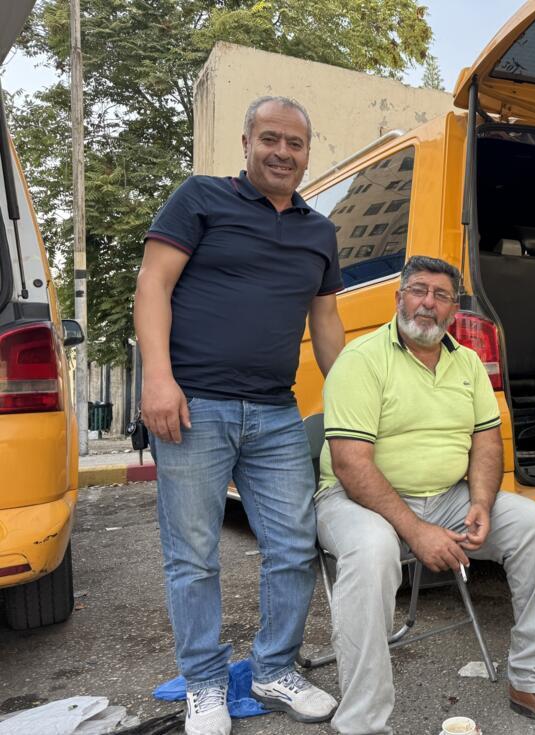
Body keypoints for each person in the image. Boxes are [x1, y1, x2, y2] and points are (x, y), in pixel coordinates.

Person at [134, 96, 344, 735]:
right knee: (194, 555)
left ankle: (273, 667)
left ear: (309, 154)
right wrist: (159, 381)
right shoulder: (200, 198)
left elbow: (327, 321)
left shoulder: (319, 230)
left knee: (293, 546)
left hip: (278, 413)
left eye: (296, 143)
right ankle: (203, 683)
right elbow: (153, 285)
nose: (283, 152)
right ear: (248, 141)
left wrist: (360, 399)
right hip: (194, 406)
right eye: (270, 139)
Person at [316, 256, 535, 735]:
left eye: (441, 295)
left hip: (446, 495)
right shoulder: (360, 360)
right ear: (397, 297)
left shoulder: (466, 362)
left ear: (453, 309)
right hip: (355, 500)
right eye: (418, 290)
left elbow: (486, 441)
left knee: (530, 523)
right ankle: (361, 722)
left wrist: (482, 503)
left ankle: (532, 678)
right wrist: (417, 531)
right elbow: (351, 465)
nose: (428, 302)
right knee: (372, 548)